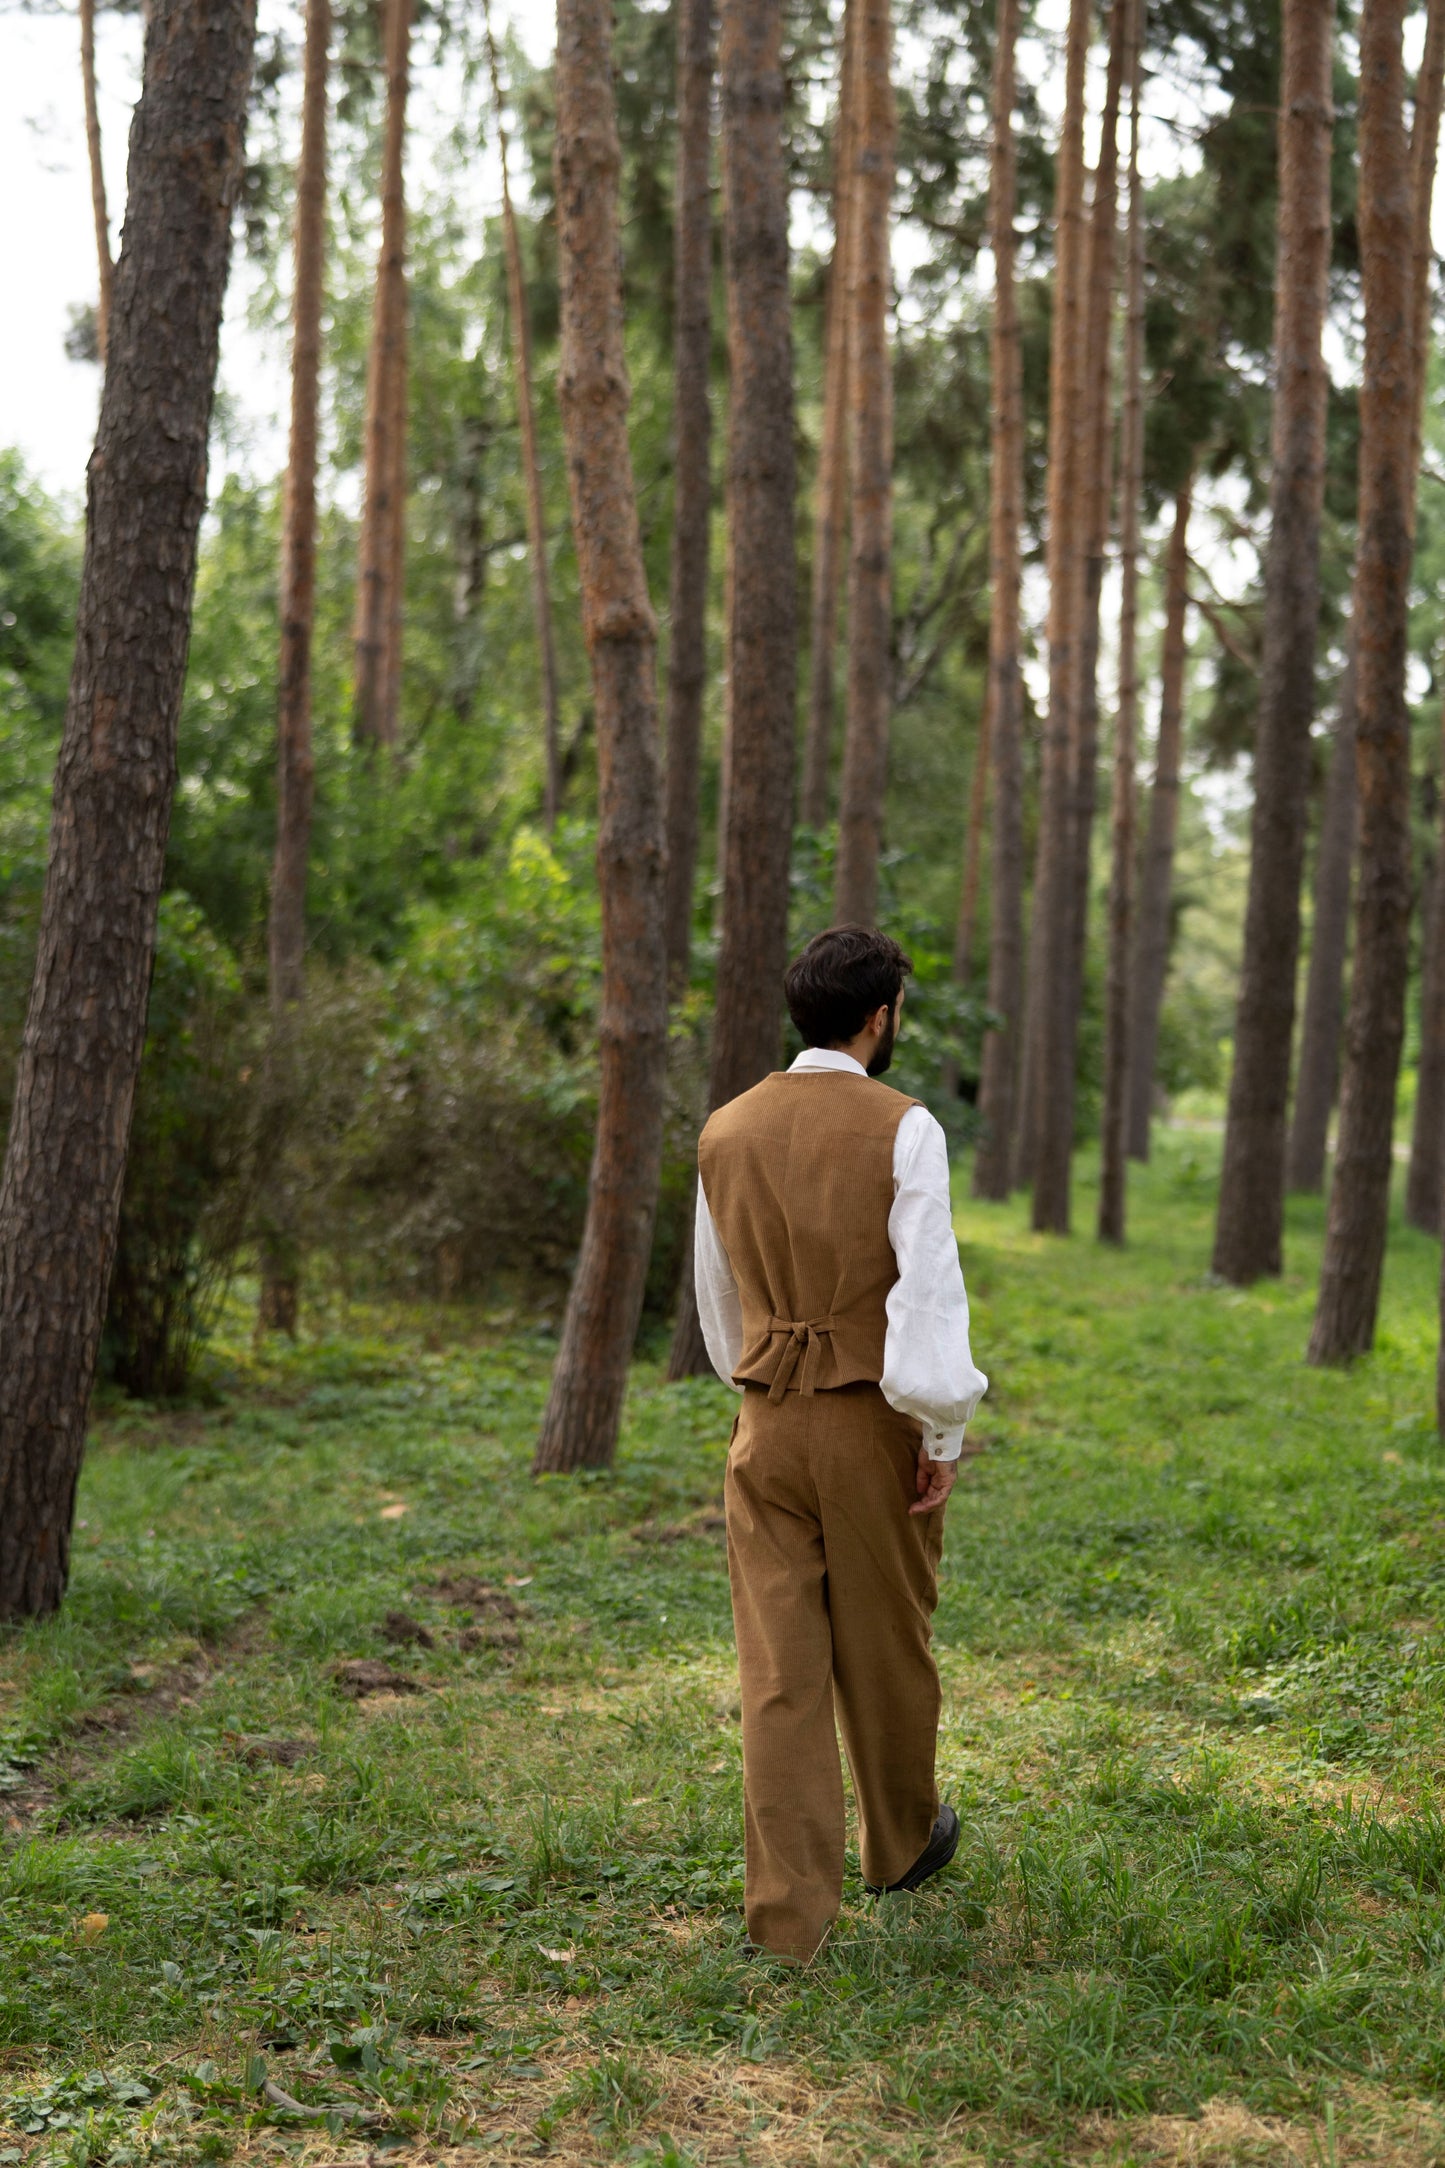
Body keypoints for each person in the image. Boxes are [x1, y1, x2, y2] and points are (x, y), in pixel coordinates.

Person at [695, 924, 988, 1963]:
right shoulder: (903, 1127)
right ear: (879, 1015)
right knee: (888, 1638)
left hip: (764, 1417)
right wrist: (939, 1427)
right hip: (870, 1416)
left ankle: (785, 1920)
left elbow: (717, 1294)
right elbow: (927, 1291)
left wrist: (758, 1385)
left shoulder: (724, 1128)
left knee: (778, 1669)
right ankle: (900, 1843)